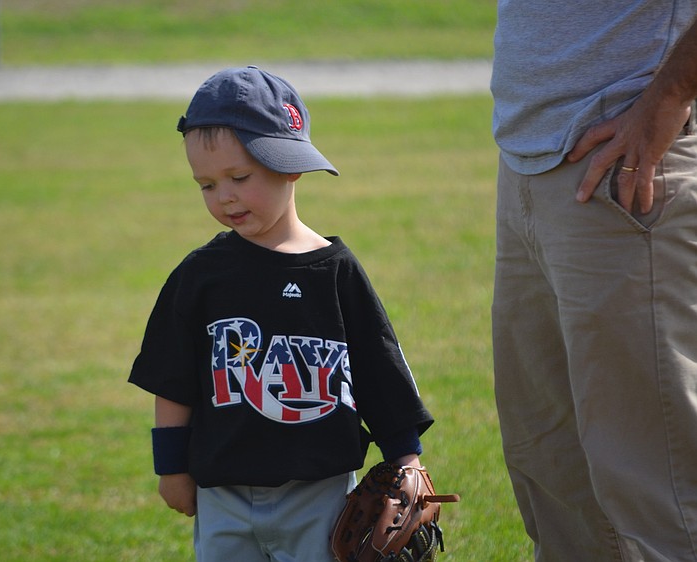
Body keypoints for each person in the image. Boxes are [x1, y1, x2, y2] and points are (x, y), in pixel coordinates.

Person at [128, 66, 434, 561]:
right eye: (205, 185)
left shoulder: (335, 271)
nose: (223, 196)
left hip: (322, 495)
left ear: (290, 165)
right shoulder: (200, 275)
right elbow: (173, 377)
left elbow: (378, 371)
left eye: (239, 177)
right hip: (222, 494)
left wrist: (407, 460)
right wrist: (171, 468)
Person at [490, 2, 697, 561]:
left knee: (658, 493)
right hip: (526, 161)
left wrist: (670, 96)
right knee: (553, 475)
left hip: (625, 165)